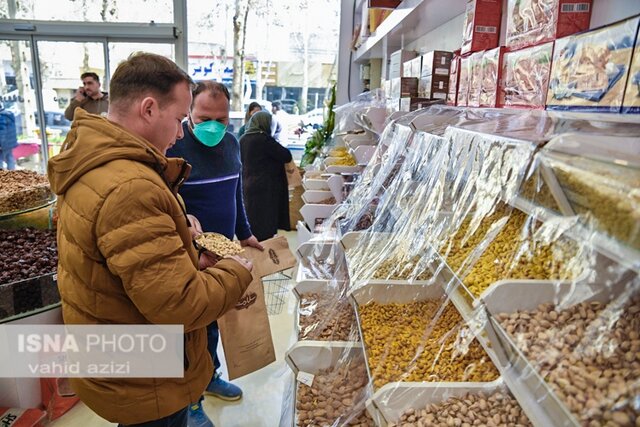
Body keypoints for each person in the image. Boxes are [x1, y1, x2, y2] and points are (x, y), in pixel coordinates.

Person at [47, 52, 253, 427]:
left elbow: (129, 265)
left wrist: (186, 248)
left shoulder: (96, 157)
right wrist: (238, 271)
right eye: (179, 119)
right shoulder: (129, 186)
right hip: (146, 375)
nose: (180, 133)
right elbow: (181, 304)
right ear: (148, 109)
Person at [166, 80, 263, 427]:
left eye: (221, 120)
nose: (213, 127)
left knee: (216, 323)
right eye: (205, 117)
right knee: (190, 328)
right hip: (189, 258)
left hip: (225, 253)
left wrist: (246, 233)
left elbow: (236, 194)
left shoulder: (233, 145)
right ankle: (189, 399)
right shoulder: (174, 149)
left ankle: (210, 376)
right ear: (189, 113)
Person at [239, 111, 292, 241]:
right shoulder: (264, 139)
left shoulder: (243, 139)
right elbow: (286, 155)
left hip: (247, 186)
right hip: (265, 190)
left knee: (252, 225)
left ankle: (255, 257)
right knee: (265, 227)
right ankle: (264, 257)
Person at [0, 102, 18, 170]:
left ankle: (1, 176)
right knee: (9, 157)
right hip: (10, 143)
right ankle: (12, 173)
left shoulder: (1, 117)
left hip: (3, 143)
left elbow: (2, 132)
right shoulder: (8, 114)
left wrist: (1, 145)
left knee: (0, 159)